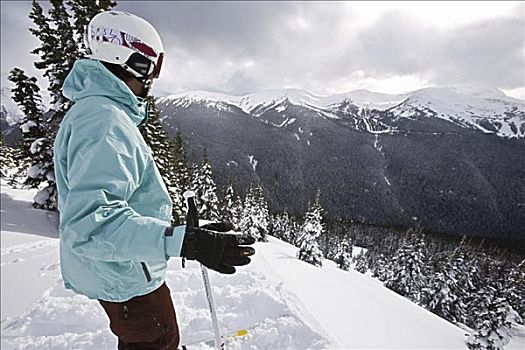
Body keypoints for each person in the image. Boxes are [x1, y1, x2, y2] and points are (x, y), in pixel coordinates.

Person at [53, 11, 255, 350]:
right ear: (127, 61)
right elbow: (92, 224)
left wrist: (181, 232)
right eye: (150, 67)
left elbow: (118, 198)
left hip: (121, 265)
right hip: (122, 273)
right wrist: (181, 242)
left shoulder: (97, 112)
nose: (151, 79)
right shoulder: (103, 120)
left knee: (149, 337)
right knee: (158, 339)